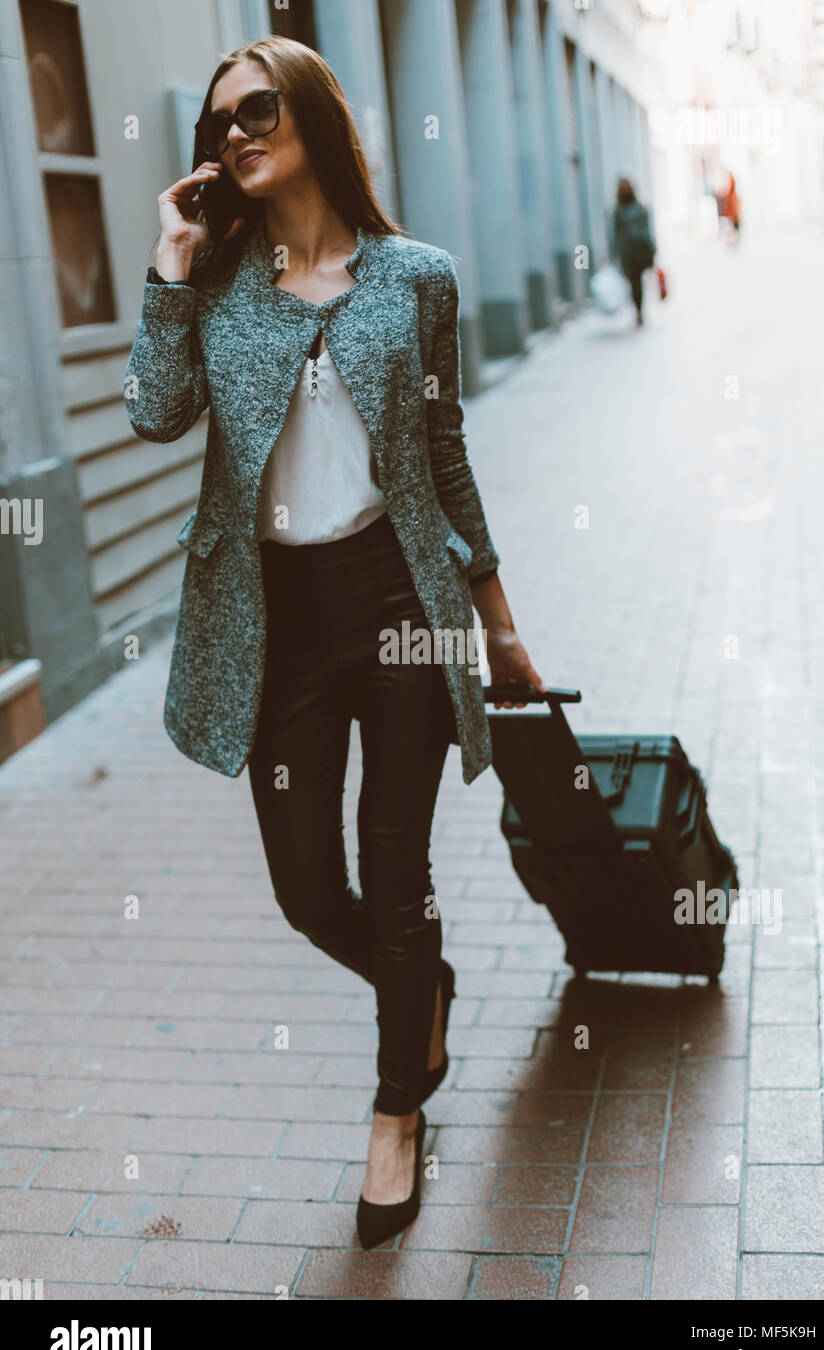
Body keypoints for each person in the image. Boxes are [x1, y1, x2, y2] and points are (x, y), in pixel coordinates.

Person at [124, 37, 544, 1250]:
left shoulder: (416, 278)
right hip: (275, 618)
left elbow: (445, 453)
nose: (237, 134)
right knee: (309, 888)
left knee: (396, 865)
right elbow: (154, 413)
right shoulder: (215, 278)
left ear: (312, 114)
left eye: (259, 109)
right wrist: (167, 259)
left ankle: (394, 1110)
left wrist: (500, 627)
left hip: (401, 603)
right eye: (219, 126)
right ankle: (423, 989)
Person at [612, 178, 656, 326]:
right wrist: (653, 250)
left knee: (634, 282)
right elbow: (647, 231)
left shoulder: (618, 211)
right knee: (637, 282)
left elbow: (615, 235)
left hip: (628, 252)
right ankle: (639, 311)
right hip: (640, 250)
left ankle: (638, 311)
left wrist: (614, 254)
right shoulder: (640, 207)